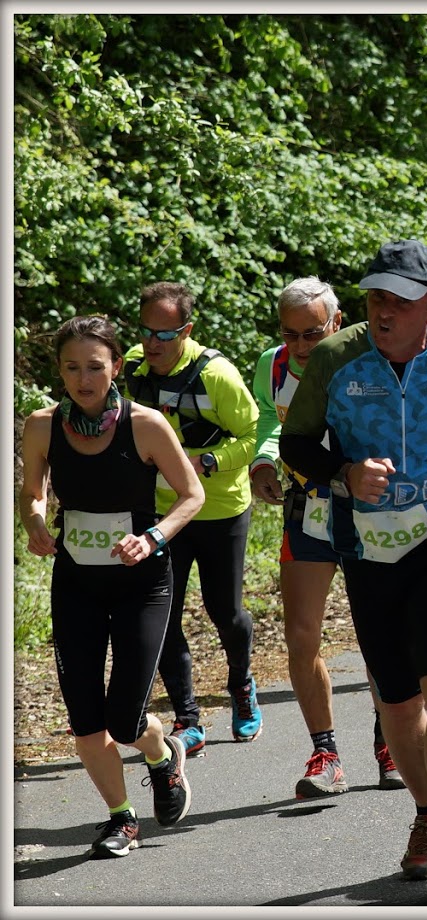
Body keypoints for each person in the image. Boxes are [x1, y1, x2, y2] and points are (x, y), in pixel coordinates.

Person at [280, 239, 427, 893]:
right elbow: (296, 442)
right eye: (375, 299)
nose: (384, 312)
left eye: (400, 301)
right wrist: (343, 472)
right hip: (367, 547)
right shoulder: (334, 358)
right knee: (396, 699)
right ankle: (424, 816)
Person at [21, 315, 204, 858]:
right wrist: (34, 521)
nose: (84, 379)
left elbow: (191, 495)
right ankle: (122, 818)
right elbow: (33, 491)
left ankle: (161, 753)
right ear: (59, 371)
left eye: (95, 367)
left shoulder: (145, 424)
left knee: (124, 719)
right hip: (76, 582)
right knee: (85, 718)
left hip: (141, 584)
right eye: (72, 368)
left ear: (117, 367)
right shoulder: (42, 425)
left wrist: (152, 537)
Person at [249, 277, 403, 798]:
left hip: (368, 511)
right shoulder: (272, 365)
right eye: (289, 333)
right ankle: (326, 754)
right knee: (301, 636)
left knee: (380, 633)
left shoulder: (369, 356)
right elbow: (270, 420)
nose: (299, 345)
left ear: (336, 323)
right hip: (308, 511)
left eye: (311, 333)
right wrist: (263, 460)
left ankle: (391, 743)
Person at [123, 282, 261, 754]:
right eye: (146, 331)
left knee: (226, 612)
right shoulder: (133, 367)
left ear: (187, 330)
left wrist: (207, 462)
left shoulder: (216, 375)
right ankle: (188, 717)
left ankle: (241, 685)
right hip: (162, 512)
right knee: (162, 614)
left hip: (220, 509)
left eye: (165, 334)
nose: (153, 342)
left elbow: (254, 435)